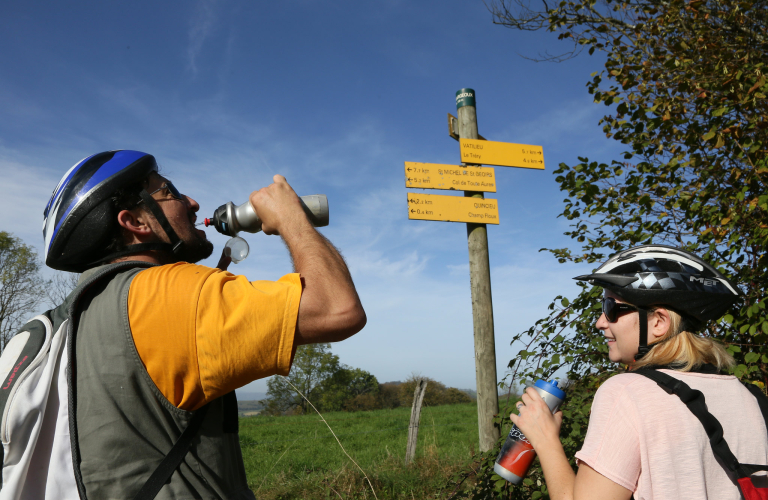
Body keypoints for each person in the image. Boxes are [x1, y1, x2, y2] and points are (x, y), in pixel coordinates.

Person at [31, 150, 366, 499]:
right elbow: (336, 308)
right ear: (136, 222)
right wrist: (291, 218)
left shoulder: (60, 323)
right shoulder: (164, 293)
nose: (192, 202)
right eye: (170, 192)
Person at [510, 245, 768, 500]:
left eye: (611, 307)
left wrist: (545, 440)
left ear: (659, 322)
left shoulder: (627, 392)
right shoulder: (752, 398)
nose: (600, 322)